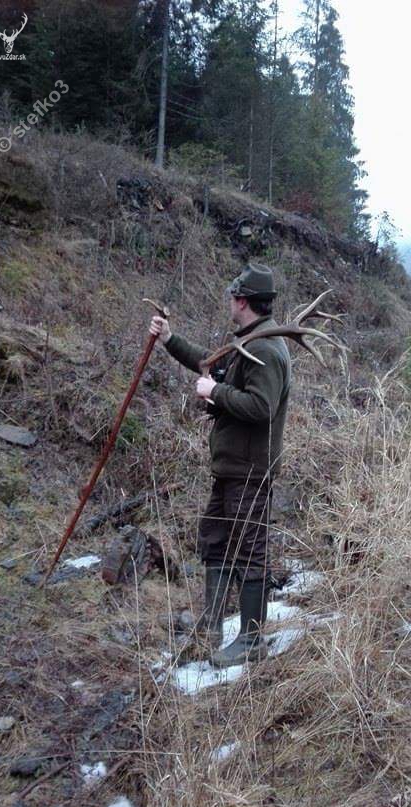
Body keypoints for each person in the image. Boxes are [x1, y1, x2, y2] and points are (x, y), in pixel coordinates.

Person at [149, 262, 291, 667]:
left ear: (242, 301)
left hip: (249, 471)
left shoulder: (266, 348)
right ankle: (211, 627)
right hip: (230, 469)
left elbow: (262, 407)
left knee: (249, 551)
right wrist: (170, 340)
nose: (229, 302)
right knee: (215, 542)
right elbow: (212, 363)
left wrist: (216, 392)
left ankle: (251, 640)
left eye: (232, 297)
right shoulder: (250, 340)